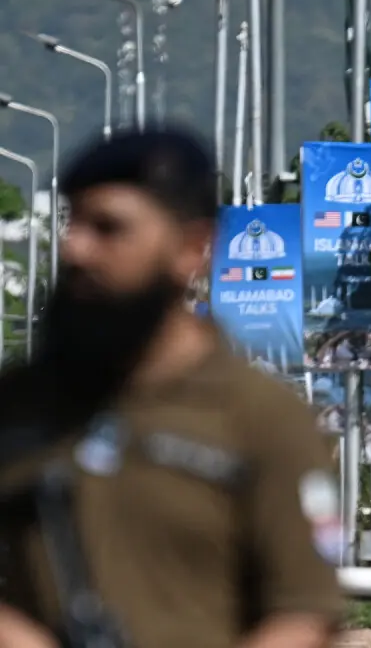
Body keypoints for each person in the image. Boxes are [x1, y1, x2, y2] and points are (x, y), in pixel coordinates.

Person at [0, 127, 343, 648]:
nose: (76, 250)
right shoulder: (20, 407)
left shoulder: (262, 419)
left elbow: (304, 616)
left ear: (190, 248)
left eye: (108, 228)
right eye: (73, 224)